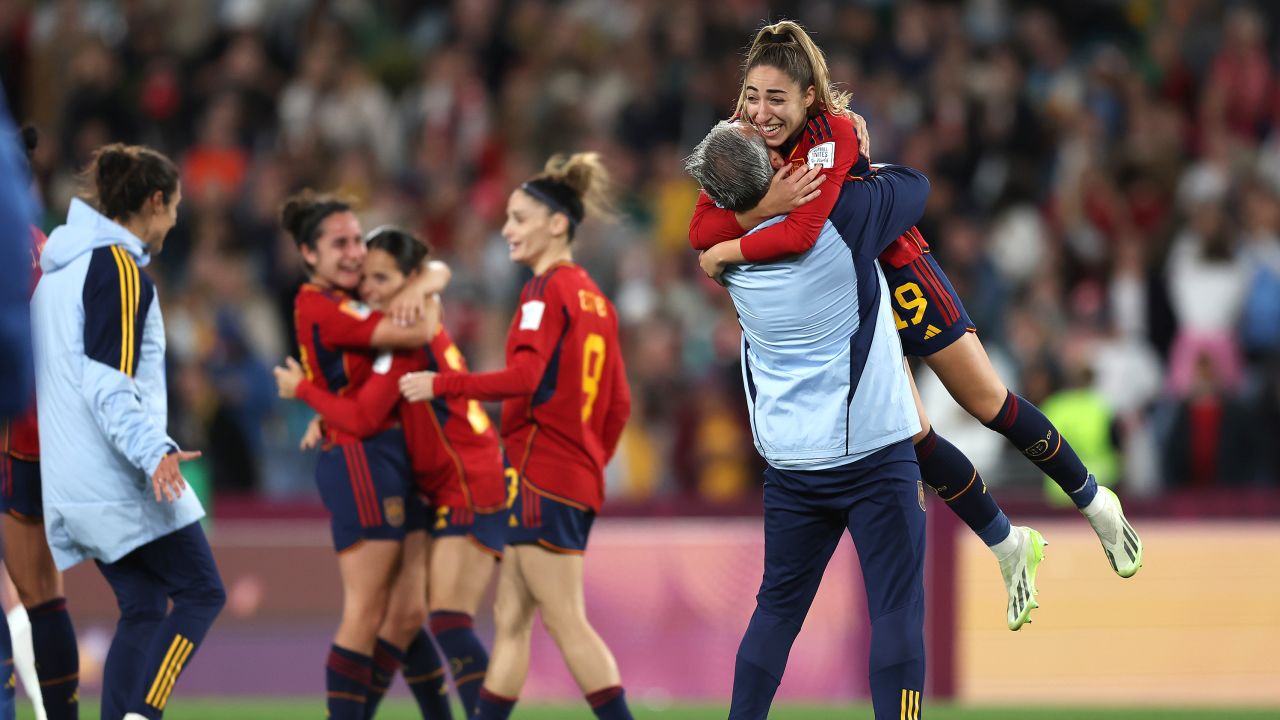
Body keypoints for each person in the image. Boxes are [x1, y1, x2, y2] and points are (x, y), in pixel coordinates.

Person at [691, 20, 1142, 622]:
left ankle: (1094, 502)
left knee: (987, 402)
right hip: (841, 304)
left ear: (807, 96)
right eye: (752, 96)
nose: (761, 112)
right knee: (911, 438)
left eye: (776, 98)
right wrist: (748, 219)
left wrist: (741, 229)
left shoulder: (836, 132)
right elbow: (700, 228)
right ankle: (1010, 545)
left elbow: (804, 233)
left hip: (894, 268)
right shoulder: (736, 142)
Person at [686, 118, 933, 720]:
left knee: (776, 611)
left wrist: (741, 223)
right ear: (774, 172)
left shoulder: (721, 262)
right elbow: (915, 186)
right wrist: (852, 153)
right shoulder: (845, 224)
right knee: (895, 611)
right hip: (872, 449)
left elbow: (709, 227)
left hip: (792, 462)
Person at [399, 153, 633, 720]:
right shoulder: (596, 299)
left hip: (540, 474)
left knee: (565, 620)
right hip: (568, 474)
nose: (506, 229)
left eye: (519, 218)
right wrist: (587, 459)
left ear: (558, 224)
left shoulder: (542, 292)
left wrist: (441, 383)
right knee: (510, 620)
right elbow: (619, 404)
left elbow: (526, 378)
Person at [30, 143, 225, 720]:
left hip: (67, 484)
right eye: (175, 206)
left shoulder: (55, 274)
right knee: (201, 592)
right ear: (155, 200)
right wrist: (154, 452)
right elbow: (106, 385)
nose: (176, 219)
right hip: (116, 476)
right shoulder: (117, 266)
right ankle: (144, 714)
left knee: (142, 607)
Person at [275, 226, 504, 717]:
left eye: (383, 278)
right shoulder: (408, 315)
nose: (370, 289)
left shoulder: (407, 332)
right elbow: (435, 272)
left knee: (444, 619)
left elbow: (362, 416)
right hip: (441, 480)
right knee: (407, 615)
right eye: (366, 280)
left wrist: (305, 393)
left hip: (466, 478)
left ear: (408, 280)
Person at [0, 125, 77, 720]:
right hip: (32, 433)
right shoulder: (40, 241)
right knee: (38, 594)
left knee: (34, 593)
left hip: (17, 433)